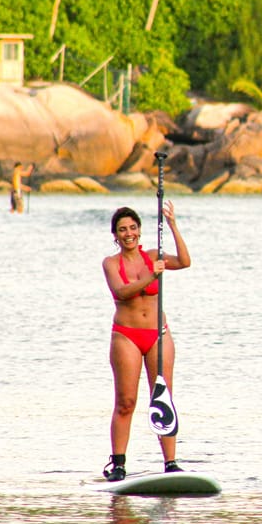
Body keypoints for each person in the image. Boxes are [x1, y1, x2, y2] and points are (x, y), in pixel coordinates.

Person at [101, 202, 191, 481]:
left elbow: (186, 261)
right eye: (122, 230)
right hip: (126, 335)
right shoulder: (110, 263)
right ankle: (118, 464)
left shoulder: (154, 255)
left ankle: (171, 463)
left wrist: (173, 224)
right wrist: (152, 275)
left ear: (140, 230)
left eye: (133, 228)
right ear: (115, 235)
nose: (129, 233)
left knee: (162, 397)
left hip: (158, 334)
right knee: (126, 402)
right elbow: (122, 291)